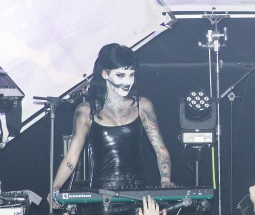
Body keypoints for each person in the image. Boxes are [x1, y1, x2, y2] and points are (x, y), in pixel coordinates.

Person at [52, 43, 173, 193]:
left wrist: (165, 180)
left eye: (131, 75)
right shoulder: (86, 110)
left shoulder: (143, 105)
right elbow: (72, 156)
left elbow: (161, 150)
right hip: (101, 193)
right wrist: (56, 186)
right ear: (105, 74)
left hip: (138, 191)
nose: (127, 81)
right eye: (120, 75)